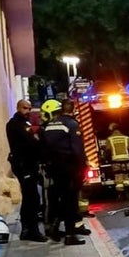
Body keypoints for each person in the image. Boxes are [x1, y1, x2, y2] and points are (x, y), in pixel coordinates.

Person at [41, 98, 87, 246]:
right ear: (72, 110)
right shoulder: (72, 124)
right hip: (69, 168)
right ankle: (70, 235)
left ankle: (54, 227)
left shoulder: (50, 125)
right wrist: (82, 168)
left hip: (54, 169)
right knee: (71, 201)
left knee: (59, 199)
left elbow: (44, 148)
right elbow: (77, 149)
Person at [6, 99, 47, 242]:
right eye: (25, 108)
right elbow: (31, 142)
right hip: (24, 166)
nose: (28, 111)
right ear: (18, 108)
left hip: (28, 165)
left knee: (31, 197)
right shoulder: (15, 124)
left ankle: (27, 229)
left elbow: (33, 141)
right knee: (32, 197)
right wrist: (37, 138)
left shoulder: (25, 124)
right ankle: (32, 230)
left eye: (29, 108)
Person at [106, 123, 129, 195]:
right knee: (126, 176)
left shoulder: (109, 139)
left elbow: (107, 150)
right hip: (126, 160)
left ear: (112, 130)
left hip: (116, 160)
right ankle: (127, 192)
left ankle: (120, 194)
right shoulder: (126, 138)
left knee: (118, 177)